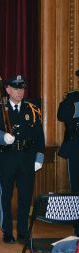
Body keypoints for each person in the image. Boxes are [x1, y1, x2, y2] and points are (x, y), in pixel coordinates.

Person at [0, 75, 45, 244]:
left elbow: (39, 137)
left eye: (22, 89)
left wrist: (39, 158)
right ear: (8, 90)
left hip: (27, 159)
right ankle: (6, 231)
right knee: (6, 196)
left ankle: (23, 232)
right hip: (7, 158)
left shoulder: (32, 110)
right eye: (16, 89)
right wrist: (2, 137)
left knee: (25, 197)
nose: (20, 92)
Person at [57, 70, 79, 237]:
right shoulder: (72, 98)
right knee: (76, 187)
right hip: (75, 147)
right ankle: (77, 226)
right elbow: (61, 116)